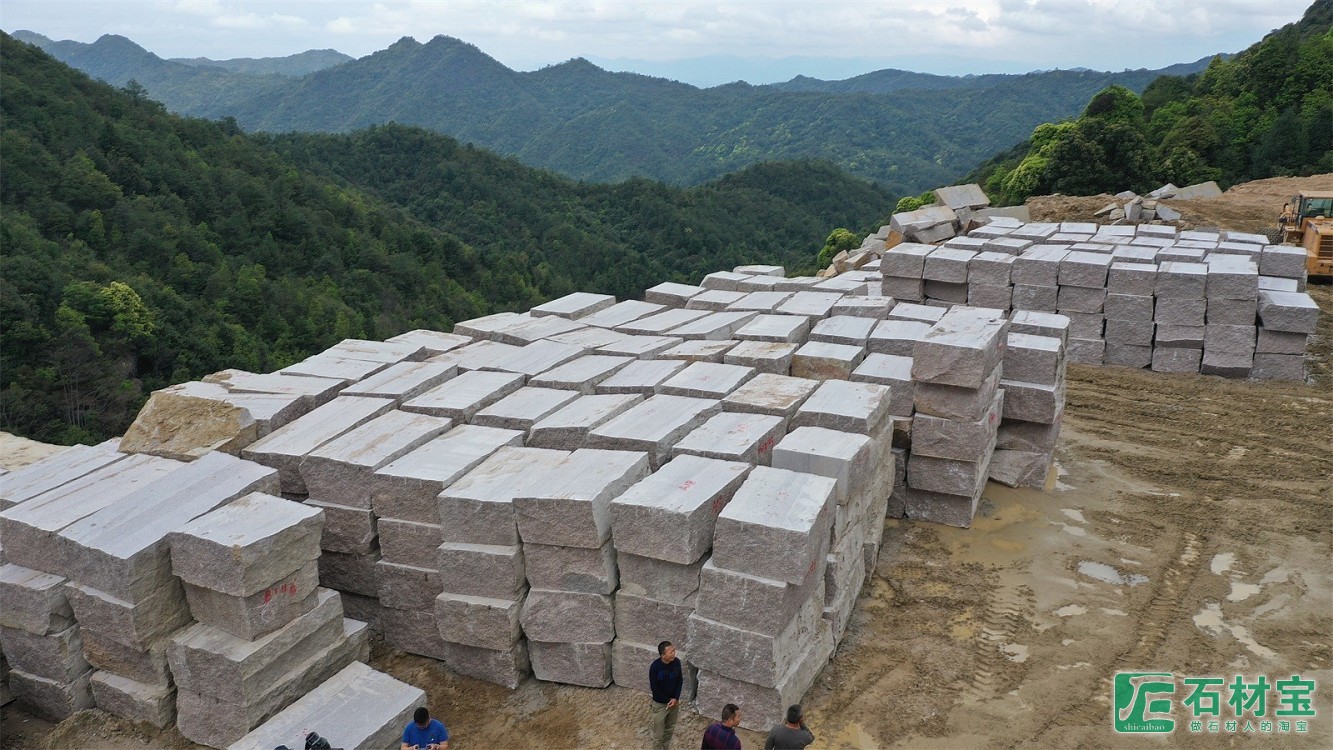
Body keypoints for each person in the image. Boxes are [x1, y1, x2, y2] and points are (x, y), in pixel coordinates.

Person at [649, 640, 683, 750]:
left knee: (669, 729)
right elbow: (655, 688)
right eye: (670, 652)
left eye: (674, 651)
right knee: (658, 735)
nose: (673, 653)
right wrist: (668, 700)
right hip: (660, 705)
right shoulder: (655, 667)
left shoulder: (677, 662)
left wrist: (675, 698)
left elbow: (680, 681)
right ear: (663, 655)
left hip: (674, 703)